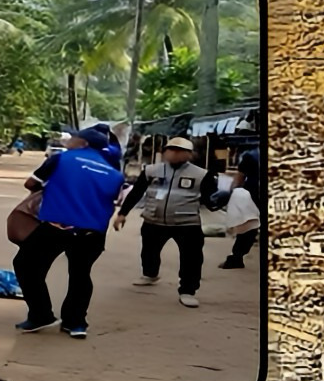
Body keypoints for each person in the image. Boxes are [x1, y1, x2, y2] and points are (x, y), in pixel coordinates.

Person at [14, 127, 124, 339]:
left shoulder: (61, 159)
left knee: (27, 264)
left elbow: (31, 184)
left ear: (83, 143)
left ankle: (41, 314)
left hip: (57, 226)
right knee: (81, 274)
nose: (69, 140)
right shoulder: (114, 173)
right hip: (93, 231)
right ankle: (75, 322)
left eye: (74, 138)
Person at [114, 137, 220, 309]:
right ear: (164, 152)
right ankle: (150, 274)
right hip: (153, 219)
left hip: (186, 223)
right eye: (171, 149)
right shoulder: (151, 170)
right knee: (149, 250)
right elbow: (137, 192)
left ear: (189, 154)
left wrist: (221, 203)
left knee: (191, 258)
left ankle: (188, 290)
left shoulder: (201, 174)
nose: (174, 153)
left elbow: (210, 199)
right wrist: (122, 213)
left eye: (179, 150)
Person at [220, 147, 261, 269]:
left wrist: (232, 193)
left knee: (248, 227)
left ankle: (237, 257)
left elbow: (239, 177)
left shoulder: (251, 155)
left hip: (253, 196)